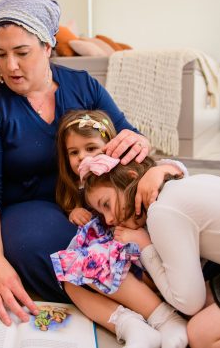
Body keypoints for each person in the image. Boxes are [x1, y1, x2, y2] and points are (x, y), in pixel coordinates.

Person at [0, 0, 182, 327]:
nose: (10, 66)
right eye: (0, 54)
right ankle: (149, 304)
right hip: (34, 207)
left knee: (162, 214)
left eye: (22, 53)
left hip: (96, 199)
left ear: (48, 46)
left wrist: (140, 143)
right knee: (37, 246)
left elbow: (128, 135)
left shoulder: (81, 85)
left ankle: (172, 278)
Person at [52, 109, 188, 348]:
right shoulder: (89, 190)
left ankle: (166, 320)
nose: (83, 157)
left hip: (159, 268)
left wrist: (159, 171)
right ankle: (129, 325)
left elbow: (177, 171)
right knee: (69, 276)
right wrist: (75, 211)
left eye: (91, 149)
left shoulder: (139, 182)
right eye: (74, 152)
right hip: (126, 258)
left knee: (98, 265)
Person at [82, 155, 220, 348]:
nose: (109, 220)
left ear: (131, 178)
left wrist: (145, 247)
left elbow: (189, 302)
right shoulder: (175, 188)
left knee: (199, 332)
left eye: (107, 204)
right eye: (101, 213)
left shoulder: (161, 212)